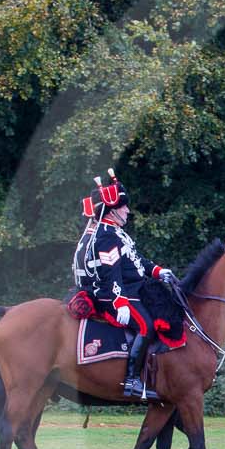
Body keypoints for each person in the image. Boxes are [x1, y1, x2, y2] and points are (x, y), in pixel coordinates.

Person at [72, 170, 179, 401]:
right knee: (146, 326)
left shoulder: (116, 232)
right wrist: (119, 301)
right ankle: (131, 381)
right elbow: (111, 274)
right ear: (112, 210)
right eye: (124, 207)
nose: (128, 211)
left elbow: (136, 260)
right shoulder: (106, 236)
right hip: (116, 296)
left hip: (132, 291)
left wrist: (158, 271)